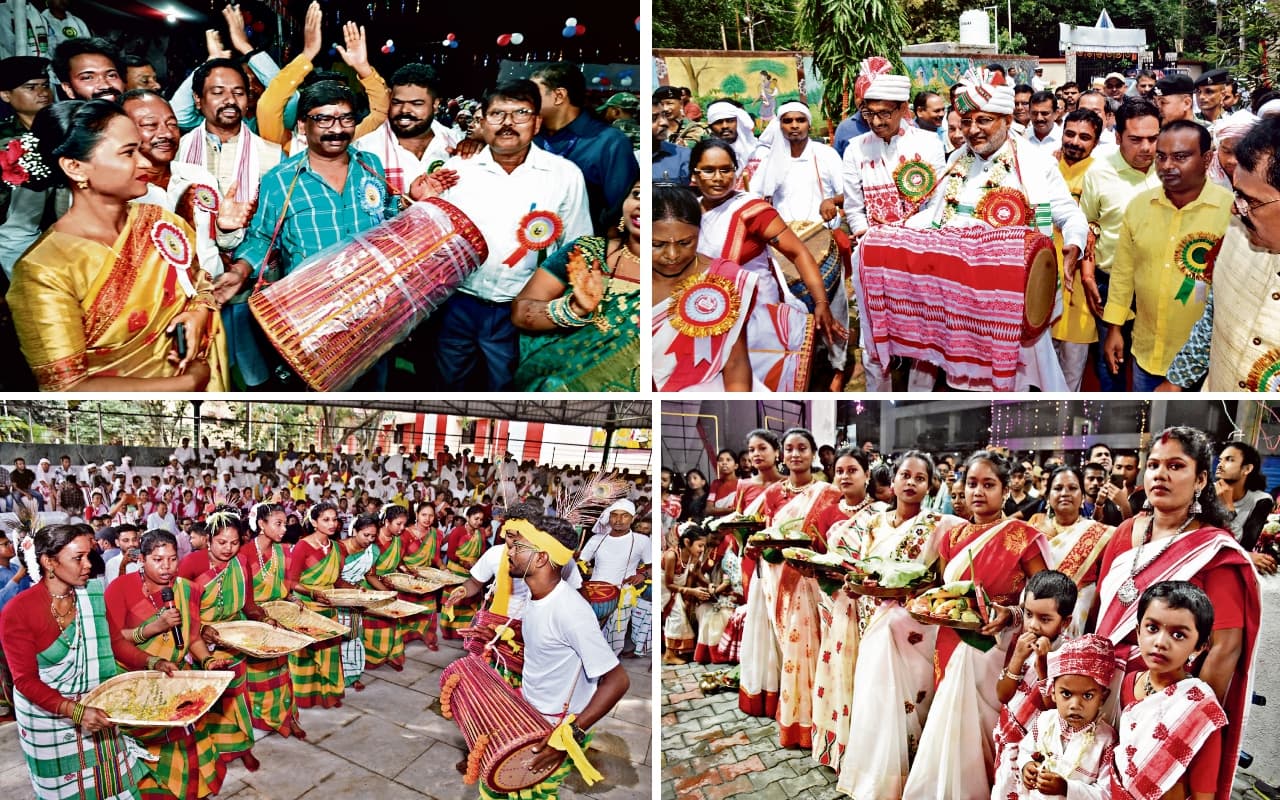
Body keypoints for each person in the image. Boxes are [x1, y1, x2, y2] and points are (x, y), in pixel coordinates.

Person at [7, 100, 228, 390]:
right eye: (128, 153)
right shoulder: (43, 270)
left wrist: (199, 313)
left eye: (140, 148)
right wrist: (188, 382)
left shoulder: (162, 223)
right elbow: (68, 387)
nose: (146, 163)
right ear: (75, 167)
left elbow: (199, 284)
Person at [1093, 427, 1260, 799]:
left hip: (1159, 705)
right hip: (1099, 692)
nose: (1160, 474)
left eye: (1175, 465)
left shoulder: (1213, 551)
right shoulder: (1124, 532)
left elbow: (1225, 647)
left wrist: (1183, 722)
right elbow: (1101, 613)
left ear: (1201, 479)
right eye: (1153, 465)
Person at [908, 71, 1085, 391]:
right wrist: (901, 232)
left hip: (1012, 303)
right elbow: (933, 218)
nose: (972, 130)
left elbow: (1069, 215)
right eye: (965, 121)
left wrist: (1074, 243)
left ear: (1005, 120)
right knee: (955, 378)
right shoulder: (955, 162)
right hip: (958, 301)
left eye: (983, 120)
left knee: (1012, 383)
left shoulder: (1035, 163)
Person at [224, 79, 406, 389]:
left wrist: (407, 208)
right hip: (313, 317)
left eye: (346, 118)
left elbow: (389, 218)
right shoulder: (280, 181)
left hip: (373, 312)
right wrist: (240, 271)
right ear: (302, 126)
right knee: (318, 388)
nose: (337, 129)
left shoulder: (371, 166)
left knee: (372, 386)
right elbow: (263, 239)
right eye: (323, 119)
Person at [902, 450, 1049, 800]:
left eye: (989, 484)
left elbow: (1045, 595)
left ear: (1004, 490)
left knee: (983, 725)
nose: (978, 492)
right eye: (972, 484)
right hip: (951, 639)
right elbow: (939, 590)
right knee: (948, 720)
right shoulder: (951, 537)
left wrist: (1011, 615)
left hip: (997, 648)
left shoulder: (1020, 536)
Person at [431, 79, 592, 390]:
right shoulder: (457, 170)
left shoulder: (564, 175)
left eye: (520, 113)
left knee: (510, 388)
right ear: (482, 121)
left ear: (537, 122)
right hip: (458, 304)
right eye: (497, 114)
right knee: (448, 383)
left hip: (521, 310)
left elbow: (577, 246)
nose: (507, 124)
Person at [463, 514, 630, 800]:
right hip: (530, 714)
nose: (509, 552)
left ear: (540, 557)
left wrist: (566, 738)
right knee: (495, 790)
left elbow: (618, 681)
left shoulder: (570, 611)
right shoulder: (536, 595)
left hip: (555, 729)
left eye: (518, 546)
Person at [834, 451, 962, 794]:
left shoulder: (941, 524)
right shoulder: (875, 523)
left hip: (915, 624)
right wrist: (855, 584)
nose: (911, 483)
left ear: (930, 485)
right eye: (905, 475)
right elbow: (863, 569)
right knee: (875, 697)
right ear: (892, 482)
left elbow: (947, 578)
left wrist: (915, 588)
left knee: (911, 700)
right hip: (877, 618)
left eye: (920, 478)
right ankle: (877, 778)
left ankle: (910, 776)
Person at [1, 524, 146, 799]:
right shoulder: (18, 611)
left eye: (89, 556)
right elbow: (25, 680)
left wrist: (152, 663)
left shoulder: (91, 594)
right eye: (78, 558)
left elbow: (114, 642)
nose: (88, 565)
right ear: (49, 562)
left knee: (114, 784)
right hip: (48, 719)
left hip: (96, 707)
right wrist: (75, 712)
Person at [1102, 121, 1232, 391]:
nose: (1167, 166)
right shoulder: (1139, 206)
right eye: (1161, 157)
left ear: (1207, 159)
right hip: (1147, 353)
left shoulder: (1231, 213)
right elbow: (1123, 274)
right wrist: (1114, 327)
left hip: (1206, 360)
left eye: (1180, 157)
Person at [104, 529, 229, 799]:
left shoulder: (186, 589)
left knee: (185, 738)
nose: (167, 568)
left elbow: (192, 637)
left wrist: (207, 660)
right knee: (146, 745)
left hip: (173, 675)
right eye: (158, 560)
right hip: (135, 679)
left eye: (172, 560)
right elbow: (113, 641)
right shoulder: (120, 588)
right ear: (142, 559)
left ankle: (188, 789)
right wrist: (152, 631)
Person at [1163, 117, 1280, 391]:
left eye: (1251, 201)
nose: (1235, 210)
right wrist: (1177, 380)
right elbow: (1212, 318)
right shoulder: (1238, 231)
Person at [742, 428, 840, 748]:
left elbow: (835, 536)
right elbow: (767, 534)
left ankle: (810, 717)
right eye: (789, 449)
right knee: (789, 645)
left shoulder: (828, 492)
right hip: (778, 575)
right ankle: (796, 711)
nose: (795, 454)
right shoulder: (772, 494)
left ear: (813, 454)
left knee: (810, 645)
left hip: (812, 578)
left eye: (802, 448)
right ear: (782, 455)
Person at [511, 179, 640, 391]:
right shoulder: (585, 252)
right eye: (637, 194)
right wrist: (573, 309)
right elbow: (520, 311)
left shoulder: (685, 278)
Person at [1112, 581, 1226, 800]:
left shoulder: (1200, 708)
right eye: (1152, 628)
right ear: (1138, 631)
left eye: (1178, 635)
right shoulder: (1129, 683)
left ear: (1199, 647)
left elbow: (1204, 790)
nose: (1160, 642)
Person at [1078, 98, 1162, 392]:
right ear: (1117, 137)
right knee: (1110, 365)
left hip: (1160, 289)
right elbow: (1089, 226)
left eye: (1153, 138)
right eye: (1136, 139)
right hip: (1110, 284)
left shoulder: (1173, 171)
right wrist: (1087, 275)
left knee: (1154, 365)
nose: (1147, 148)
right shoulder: (1099, 173)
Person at [176, 508, 261, 772]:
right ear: (208, 540)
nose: (229, 548)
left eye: (235, 543)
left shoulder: (242, 562)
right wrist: (202, 630)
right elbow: (181, 611)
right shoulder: (191, 564)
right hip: (198, 643)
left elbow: (248, 603)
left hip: (235, 641)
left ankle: (242, 746)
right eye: (222, 542)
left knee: (237, 697)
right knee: (206, 702)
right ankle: (208, 752)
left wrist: (265, 620)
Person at [651, 182, 755, 392]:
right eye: (657, 244)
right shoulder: (628, 276)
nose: (672, 255)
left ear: (699, 231)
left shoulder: (723, 280)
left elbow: (735, 362)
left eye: (685, 242)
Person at [990, 570, 1078, 799]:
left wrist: (1042, 663)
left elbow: (1054, 708)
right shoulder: (1021, 644)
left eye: (1045, 619)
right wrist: (1018, 658)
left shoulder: (1067, 654)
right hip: (1009, 740)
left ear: (1066, 622)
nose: (1033, 625)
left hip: (1037, 749)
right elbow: (1002, 694)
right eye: (1029, 614)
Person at [531, 62, 638, 236]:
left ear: (559, 95)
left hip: (586, 250)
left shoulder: (610, 142)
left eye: (534, 94)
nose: (527, 101)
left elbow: (620, 208)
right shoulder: (531, 138)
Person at [1012, 633, 1117, 799]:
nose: (1075, 705)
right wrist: (1026, 766)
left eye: (1088, 696)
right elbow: (1025, 750)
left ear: (1103, 697)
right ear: (1053, 692)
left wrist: (1066, 788)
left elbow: (1105, 793)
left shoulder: (1106, 740)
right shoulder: (1045, 721)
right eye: (1066, 694)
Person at [1027, 466, 1116, 638]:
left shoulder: (1100, 534)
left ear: (1082, 496)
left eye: (1073, 488)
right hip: (1034, 617)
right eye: (1058, 488)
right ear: (1047, 496)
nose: (1065, 493)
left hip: (1079, 620)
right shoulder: (1034, 531)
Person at [1050, 108, 1104, 390]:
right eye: (1069, 134)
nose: (1074, 141)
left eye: (1085, 137)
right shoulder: (1045, 169)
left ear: (1096, 143)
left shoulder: (1101, 175)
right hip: (1044, 280)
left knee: (1071, 375)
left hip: (1081, 289)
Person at [242, 501, 304, 738]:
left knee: (282, 671)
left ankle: (288, 716)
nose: (283, 529)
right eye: (277, 524)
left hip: (277, 615)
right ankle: (262, 719)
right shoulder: (244, 553)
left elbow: (283, 585)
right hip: (254, 618)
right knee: (260, 673)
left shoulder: (282, 550)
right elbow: (244, 597)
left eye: (284, 524)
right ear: (261, 524)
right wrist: (262, 617)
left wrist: (292, 598)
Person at [354, 62, 457, 196]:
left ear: (435, 104)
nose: (404, 110)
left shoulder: (455, 142)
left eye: (416, 104)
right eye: (397, 102)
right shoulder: (365, 149)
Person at [284, 502, 346, 709]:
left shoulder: (337, 547)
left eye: (334, 519)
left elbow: (337, 580)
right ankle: (306, 696)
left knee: (330, 654)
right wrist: (313, 593)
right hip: (307, 607)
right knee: (306, 654)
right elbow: (292, 582)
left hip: (329, 607)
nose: (332, 524)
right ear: (314, 522)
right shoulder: (302, 546)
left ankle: (329, 693)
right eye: (326, 519)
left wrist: (356, 591)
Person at [579, 499, 649, 655]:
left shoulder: (642, 541)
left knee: (614, 638)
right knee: (589, 635)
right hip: (594, 594)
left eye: (624, 516)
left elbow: (652, 567)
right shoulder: (597, 539)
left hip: (624, 595)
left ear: (633, 518)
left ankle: (608, 669)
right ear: (608, 517)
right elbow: (581, 563)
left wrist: (642, 575)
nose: (618, 520)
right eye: (614, 515)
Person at [661, 522, 706, 665]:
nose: (702, 549)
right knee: (677, 618)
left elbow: (696, 574)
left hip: (677, 590)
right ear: (687, 542)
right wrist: (692, 591)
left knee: (681, 616)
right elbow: (668, 584)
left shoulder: (694, 555)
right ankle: (668, 654)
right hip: (664, 591)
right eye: (700, 545)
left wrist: (710, 586)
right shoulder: (671, 556)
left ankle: (675, 651)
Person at [441, 504, 486, 639]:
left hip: (472, 572)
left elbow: (482, 552)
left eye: (481, 519)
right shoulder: (458, 531)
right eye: (476, 518)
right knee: (454, 600)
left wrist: (476, 564)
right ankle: (449, 631)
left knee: (470, 602)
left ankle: (466, 632)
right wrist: (464, 562)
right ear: (468, 517)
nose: (478, 522)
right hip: (456, 571)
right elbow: (450, 553)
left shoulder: (481, 533)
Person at [652, 99, 690, 183]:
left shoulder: (683, 156)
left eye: (664, 116)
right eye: (653, 119)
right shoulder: (629, 158)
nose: (665, 123)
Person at [704, 449, 742, 518]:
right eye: (721, 460)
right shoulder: (715, 484)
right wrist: (730, 510)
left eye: (728, 460)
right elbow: (708, 509)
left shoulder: (742, 484)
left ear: (736, 466)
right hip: (720, 525)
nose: (724, 463)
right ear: (718, 465)